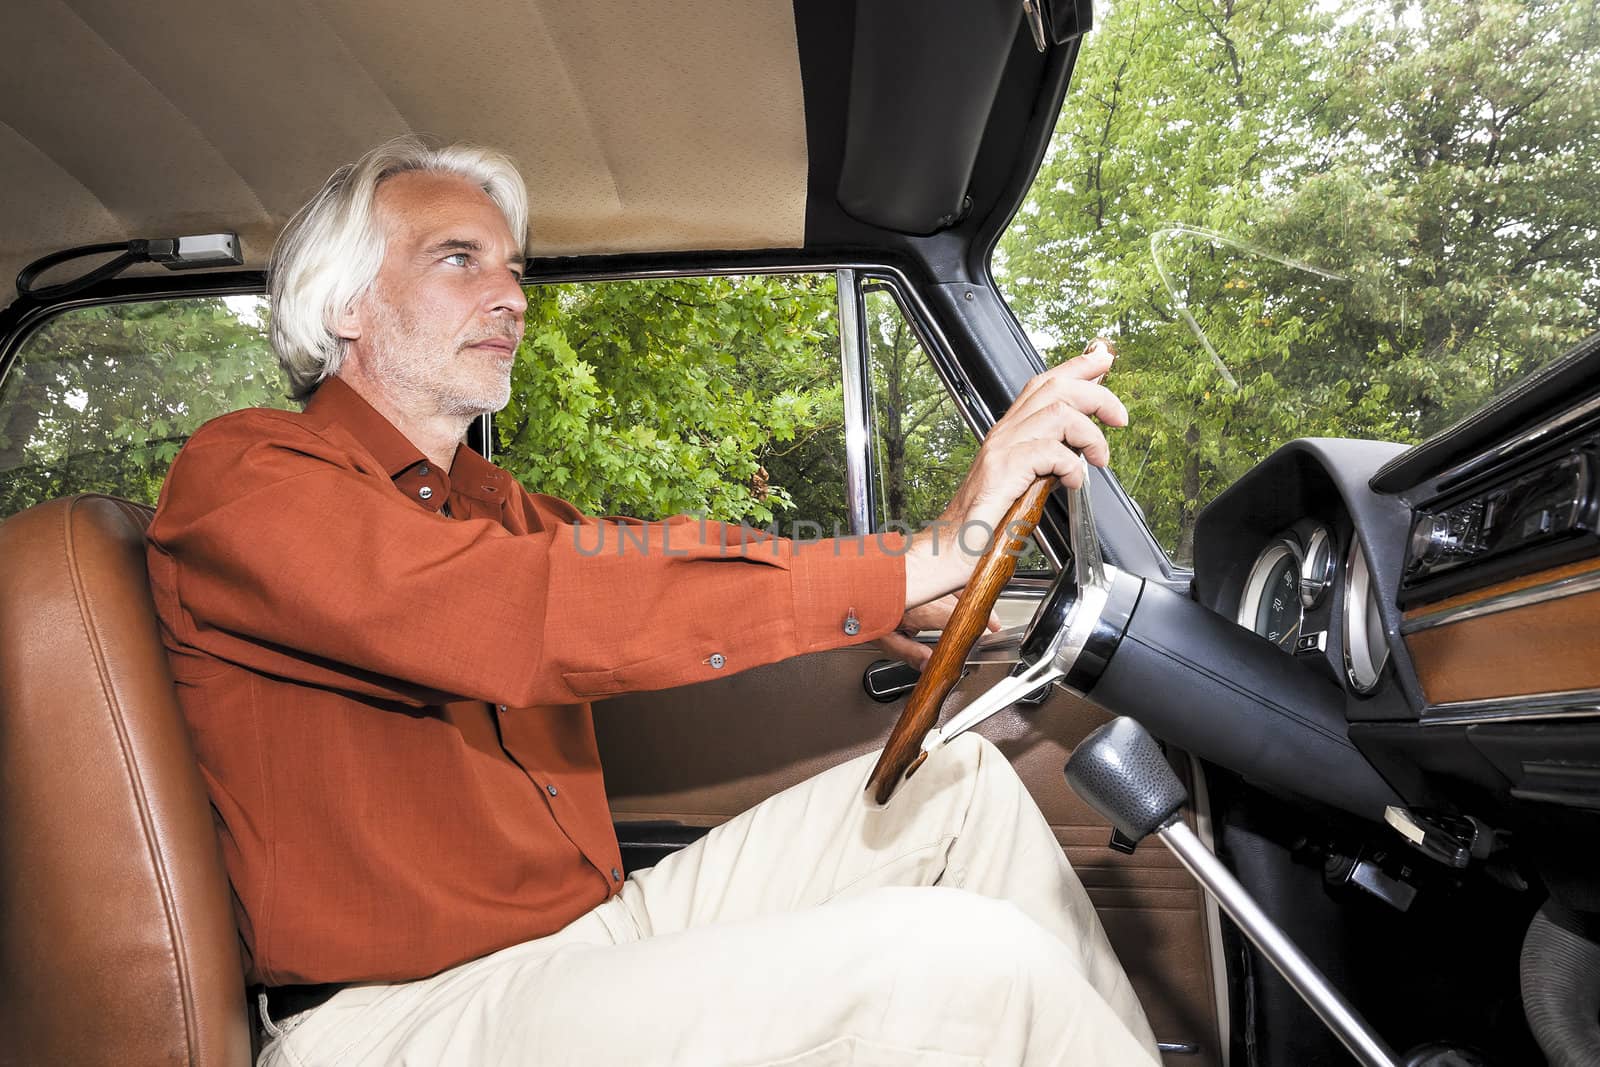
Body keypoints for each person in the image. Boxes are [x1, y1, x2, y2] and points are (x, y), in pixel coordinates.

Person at [146, 137, 1158, 1065]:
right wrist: (915, 559)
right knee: (959, 963)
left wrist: (930, 569)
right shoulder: (247, 476)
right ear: (344, 302)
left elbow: (643, 564)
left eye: (515, 269)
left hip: (580, 936)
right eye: (460, 259)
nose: (510, 297)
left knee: (964, 785)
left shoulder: (491, 503)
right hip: (396, 1014)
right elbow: (526, 610)